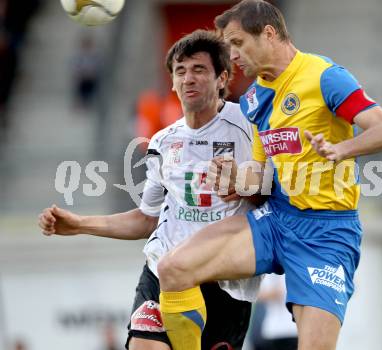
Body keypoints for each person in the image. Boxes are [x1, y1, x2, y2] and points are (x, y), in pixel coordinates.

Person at [157, 1, 382, 350]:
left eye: (238, 43)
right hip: (276, 219)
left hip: (327, 235)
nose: (233, 55)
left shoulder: (324, 76)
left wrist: (340, 150)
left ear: (269, 34)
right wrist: (237, 181)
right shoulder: (255, 97)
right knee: (173, 269)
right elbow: (260, 175)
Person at [38, 30, 262, 350]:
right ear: (171, 81)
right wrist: (79, 225)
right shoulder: (162, 141)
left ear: (222, 77)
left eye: (199, 69)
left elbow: (277, 192)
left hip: (224, 281)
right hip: (162, 269)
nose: (189, 79)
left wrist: (245, 184)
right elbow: (147, 219)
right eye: (180, 71)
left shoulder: (249, 127)